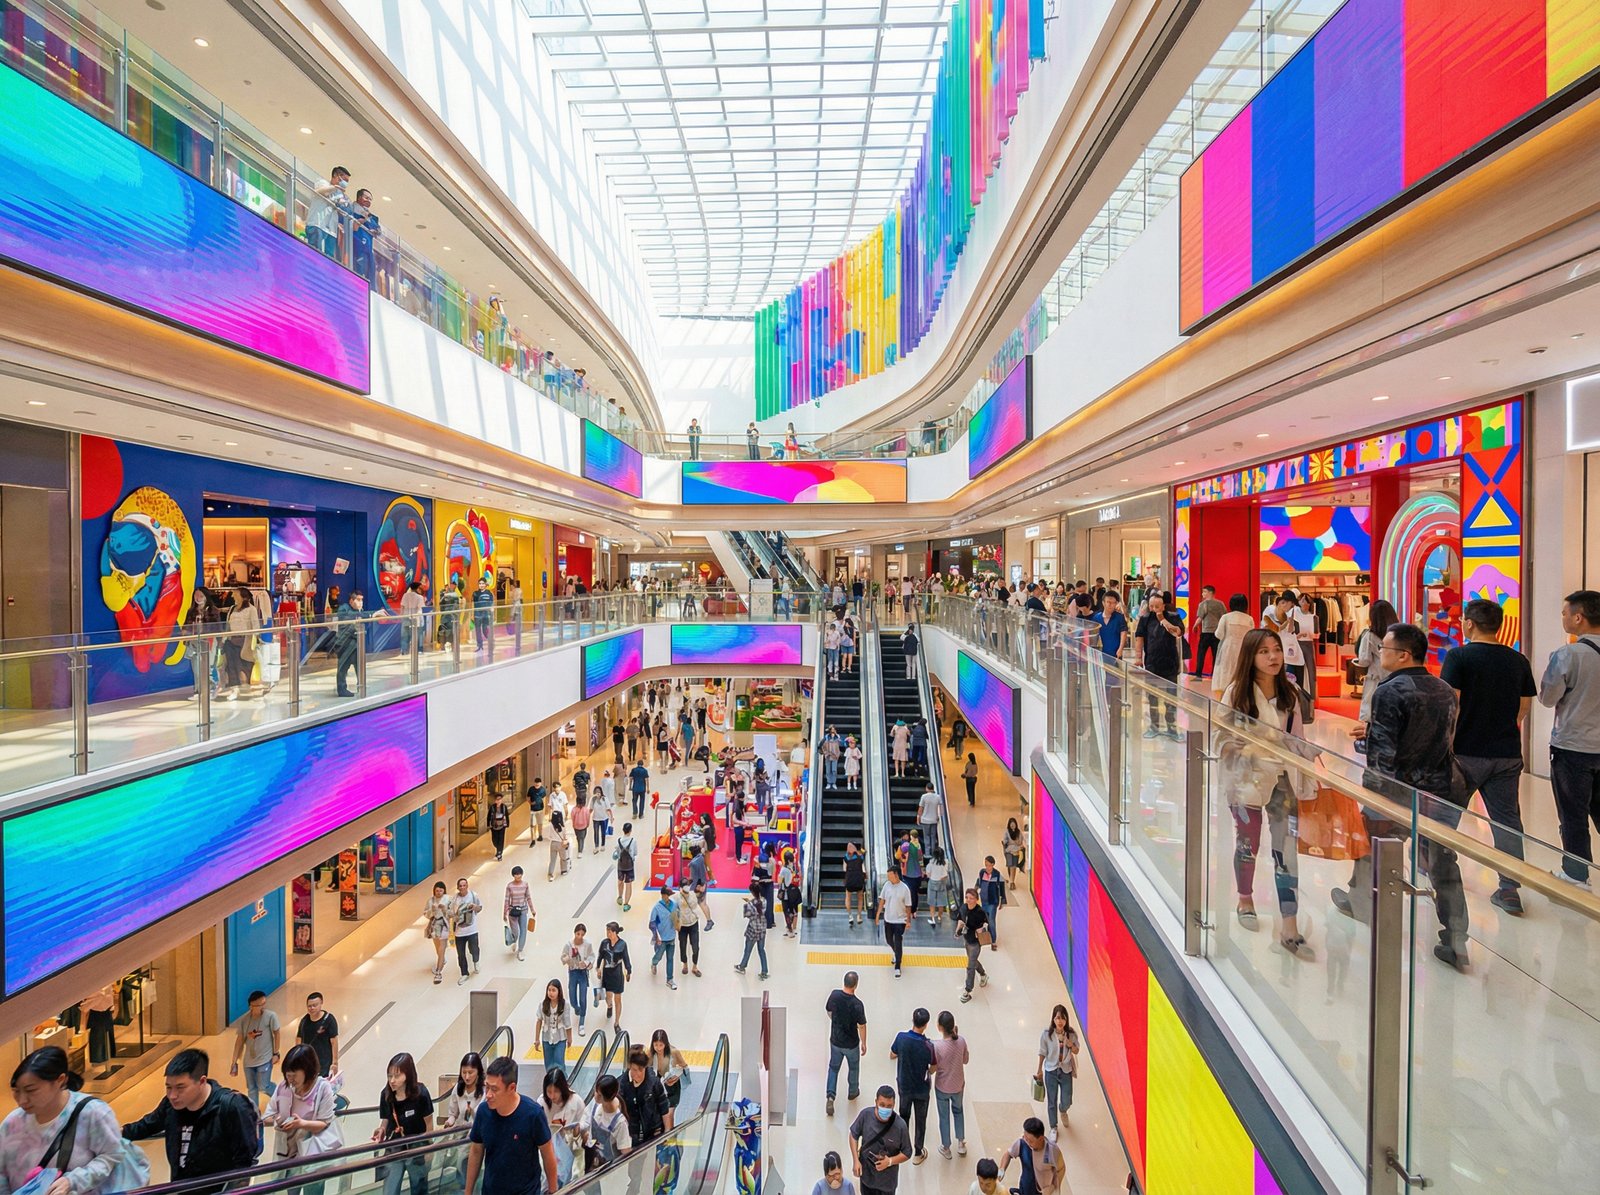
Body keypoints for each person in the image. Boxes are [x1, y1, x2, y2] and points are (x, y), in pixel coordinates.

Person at [1334, 623, 1470, 970]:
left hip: (1398, 791)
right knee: (1442, 862)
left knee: (1371, 848)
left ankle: (1360, 902)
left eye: (1385, 650)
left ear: (1403, 655)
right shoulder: (1442, 689)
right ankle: (1455, 937)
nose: (1381, 655)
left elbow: (1382, 756)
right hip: (1441, 788)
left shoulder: (1390, 692)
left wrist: (1373, 791)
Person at [1218, 628, 1314, 959]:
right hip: (1245, 780)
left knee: (1286, 849)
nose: (1273, 657)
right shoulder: (1237, 693)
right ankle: (1245, 897)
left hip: (1282, 778)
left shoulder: (1290, 693)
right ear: (1251, 657)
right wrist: (1247, 750)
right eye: (1264, 652)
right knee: (1248, 842)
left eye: (1276, 650)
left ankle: (1289, 922)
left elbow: (1297, 737)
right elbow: (1222, 737)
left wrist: (1307, 757)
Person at [1439, 597, 1536, 912]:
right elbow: (1524, 707)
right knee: (1507, 821)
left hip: (1464, 753)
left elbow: (1450, 705)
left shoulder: (1460, 657)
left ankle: (1439, 873)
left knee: (1446, 816)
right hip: (1506, 754)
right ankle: (1509, 890)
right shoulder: (1518, 660)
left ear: (1468, 624)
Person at [2, 1047, 137, 1195]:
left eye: (31, 1090)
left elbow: (113, 1154)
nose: (22, 1100)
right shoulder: (11, 1124)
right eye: (16, 1091)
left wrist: (73, 1181)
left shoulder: (93, 1113)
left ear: (60, 1080)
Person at [122, 1049, 256, 1191]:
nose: (173, 1095)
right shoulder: (170, 1106)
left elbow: (244, 1162)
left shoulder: (231, 1106)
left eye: (180, 1087)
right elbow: (148, 1124)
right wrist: (115, 1132)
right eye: (168, 1087)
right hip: (181, 1188)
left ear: (202, 1081)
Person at [1540, 589, 1600, 889]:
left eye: (1565, 613)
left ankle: (1577, 876)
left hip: (1573, 747)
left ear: (1579, 617)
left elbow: (1548, 698)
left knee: (1573, 813)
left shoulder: (1569, 654)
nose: (1563, 618)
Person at [464, 1056, 557, 1195]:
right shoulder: (483, 1112)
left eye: (494, 1089)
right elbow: (476, 1151)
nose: (488, 1095)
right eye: (487, 1087)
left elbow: (547, 1153)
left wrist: (553, 1190)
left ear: (512, 1087)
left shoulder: (533, 1114)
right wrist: (468, 1192)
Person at [262, 1043, 341, 1175]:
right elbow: (266, 1117)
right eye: (288, 1076)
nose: (290, 1080)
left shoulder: (322, 1088)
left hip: (314, 1155)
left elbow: (324, 1122)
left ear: (308, 1070)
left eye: (294, 1075)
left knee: (313, 1189)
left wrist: (301, 1124)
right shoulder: (283, 1087)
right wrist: (279, 1121)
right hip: (287, 1156)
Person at [373, 1053, 434, 1195]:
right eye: (389, 1076)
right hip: (394, 1146)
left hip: (417, 1146)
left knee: (419, 1187)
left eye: (397, 1076)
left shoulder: (421, 1093)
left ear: (408, 1074)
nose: (392, 1081)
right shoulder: (386, 1094)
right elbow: (385, 1120)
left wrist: (429, 1149)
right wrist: (381, 1130)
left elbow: (429, 1123)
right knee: (390, 1188)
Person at [1133, 591, 1184, 740]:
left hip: (1170, 663)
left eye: (1157, 606)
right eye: (1151, 606)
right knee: (1152, 697)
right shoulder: (1145, 618)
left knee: (1171, 698)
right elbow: (1139, 637)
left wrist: (1163, 619)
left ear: (1163, 606)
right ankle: (1154, 726)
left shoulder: (1173, 616)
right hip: (1152, 663)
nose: (1154, 609)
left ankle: (1172, 728)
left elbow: (1178, 633)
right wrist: (1138, 657)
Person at [888, 1010, 934, 1164]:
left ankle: (902, 1146)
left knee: (904, 1115)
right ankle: (918, 1151)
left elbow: (892, 1054)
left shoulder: (901, 1038)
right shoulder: (928, 1045)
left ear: (912, 1020)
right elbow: (933, 1067)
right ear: (926, 1025)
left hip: (904, 1086)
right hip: (921, 1089)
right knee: (921, 1120)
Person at [848, 1087, 910, 1195]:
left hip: (887, 1183)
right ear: (876, 1102)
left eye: (889, 1106)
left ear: (894, 1104)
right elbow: (853, 1135)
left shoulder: (900, 1126)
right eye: (882, 1105)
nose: (885, 1109)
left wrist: (889, 1161)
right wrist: (855, 1160)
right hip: (867, 1177)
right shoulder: (865, 1115)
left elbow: (907, 1152)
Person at [229, 990, 280, 1117]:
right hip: (249, 1061)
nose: (262, 1007)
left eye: (264, 1003)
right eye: (259, 1005)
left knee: (264, 1085)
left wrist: (276, 1053)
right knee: (252, 1089)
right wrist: (234, 1061)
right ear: (251, 1006)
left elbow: (277, 1034)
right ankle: (255, 1113)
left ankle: (281, 1097)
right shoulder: (245, 1020)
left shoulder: (270, 1016)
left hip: (265, 1058)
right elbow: (239, 1041)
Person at [823, 970, 868, 1116]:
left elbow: (829, 1011)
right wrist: (864, 1042)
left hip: (835, 1041)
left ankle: (830, 1096)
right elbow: (862, 1025)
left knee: (833, 1068)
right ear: (856, 985)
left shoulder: (834, 995)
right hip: (851, 1044)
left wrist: (836, 1021)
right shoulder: (857, 1004)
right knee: (853, 1068)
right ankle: (853, 1092)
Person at [1034, 1005, 1080, 1139]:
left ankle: (1063, 1110)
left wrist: (1070, 1044)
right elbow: (1042, 1052)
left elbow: (1077, 1050)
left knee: (1067, 1099)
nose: (1060, 1021)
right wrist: (1039, 1070)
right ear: (1053, 1019)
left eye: (1063, 1018)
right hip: (1051, 1071)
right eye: (1058, 1018)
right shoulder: (1046, 1035)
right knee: (1051, 1100)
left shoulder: (1071, 1034)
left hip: (1065, 1070)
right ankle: (1053, 1127)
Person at [538, 1069, 587, 1187]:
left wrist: (579, 1128)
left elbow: (585, 1120)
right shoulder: (542, 1102)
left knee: (568, 1180)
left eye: (556, 1091)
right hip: (548, 1146)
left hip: (569, 1148)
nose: (552, 1096)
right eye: (549, 1091)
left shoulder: (575, 1101)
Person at [931, 1011, 970, 1158]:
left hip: (942, 1087)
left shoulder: (937, 1046)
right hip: (958, 1085)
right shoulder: (961, 1041)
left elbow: (933, 1068)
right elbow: (965, 1060)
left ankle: (946, 1147)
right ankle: (961, 1142)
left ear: (940, 1027)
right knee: (958, 1111)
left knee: (944, 1116)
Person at [618, 1049, 672, 1147]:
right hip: (632, 1134)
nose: (638, 1073)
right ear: (629, 1067)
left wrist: (667, 1132)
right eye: (634, 1070)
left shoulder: (654, 1083)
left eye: (641, 1070)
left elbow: (664, 1108)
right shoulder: (622, 1085)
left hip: (653, 1131)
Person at [994, 1118, 1063, 1194]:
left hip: (1042, 1191)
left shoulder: (1052, 1150)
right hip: (1025, 1185)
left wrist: (1053, 1187)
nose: (1026, 1141)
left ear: (1040, 1139)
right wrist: (1001, 1170)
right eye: (1025, 1137)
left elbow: (1061, 1169)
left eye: (1030, 1140)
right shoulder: (1022, 1143)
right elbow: (1008, 1154)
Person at [1209, 594, 1257, 699]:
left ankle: (1223, 700)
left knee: (1225, 674)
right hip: (1244, 650)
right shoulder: (1249, 619)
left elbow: (1219, 634)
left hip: (1227, 649)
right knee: (1240, 673)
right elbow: (1252, 636)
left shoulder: (1226, 617)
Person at [585, 1074, 631, 1171]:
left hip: (610, 1169)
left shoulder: (619, 1122)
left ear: (604, 1097)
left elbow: (625, 1152)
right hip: (594, 1163)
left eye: (598, 1093)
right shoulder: (595, 1106)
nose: (595, 1094)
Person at [1263, 592, 1307, 689]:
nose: (1291, 607)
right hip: (1281, 654)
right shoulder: (1270, 611)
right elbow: (1274, 629)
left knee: (1294, 685)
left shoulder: (1288, 614)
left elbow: (1290, 632)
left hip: (1292, 654)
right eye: (1291, 605)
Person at [876, 865, 912, 976]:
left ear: (896, 875)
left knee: (897, 941)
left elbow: (908, 906)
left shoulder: (905, 888)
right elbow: (882, 900)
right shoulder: (887, 885)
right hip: (888, 919)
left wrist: (908, 921)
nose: (888, 878)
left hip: (900, 920)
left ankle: (898, 966)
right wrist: (878, 914)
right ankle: (896, 953)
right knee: (888, 940)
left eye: (890, 875)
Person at [294, 993, 339, 1080]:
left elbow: (334, 1041)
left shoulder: (329, 1019)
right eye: (309, 1006)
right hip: (308, 1061)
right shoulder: (304, 1021)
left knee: (323, 1086)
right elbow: (299, 1038)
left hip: (324, 1062)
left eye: (315, 1005)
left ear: (321, 1003)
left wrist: (335, 1062)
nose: (312, 1008)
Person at [597, 923, 633, 1031]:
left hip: (617, 974)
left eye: (610, 931)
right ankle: (609, 1006)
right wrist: (598, 968)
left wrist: (629, 971)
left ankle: (617, 1022)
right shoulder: (604, 943)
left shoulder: (622, 944)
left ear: (615, 932)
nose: (607, 933)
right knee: (607, 996)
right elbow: (600, 956)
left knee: (618, 998)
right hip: (607, 974)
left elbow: (626, 958)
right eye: (606, 931)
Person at [955, 889, 989, 1002]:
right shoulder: (963, 908)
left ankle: (968, 990)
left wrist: (982, 929)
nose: (969, 900)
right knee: (972, 961)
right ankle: (983, 974)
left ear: (976, 899)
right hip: (967, 939)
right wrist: (957, 931)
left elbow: (987, 924)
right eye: (967, 897)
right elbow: (960, 920)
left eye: (971, 898)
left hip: (975, 942)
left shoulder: (980, 912)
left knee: (970, 967)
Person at [647, 1030, 690, 1116]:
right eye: (656, 1045)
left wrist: (677, 1077)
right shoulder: (651, 1053)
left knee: (668, 1114)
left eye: (661, 1045)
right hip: (658, 1087)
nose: (658, 1048)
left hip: (672, 1087)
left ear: (665, 1044)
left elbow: (685, 1067)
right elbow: (645, 1069)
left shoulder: (674, 1052)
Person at [332, 590, 367, 698]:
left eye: (362, 600)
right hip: (345, 644)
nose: (361, 602)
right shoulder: (344, 608)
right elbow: (348, 618)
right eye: (358, 600)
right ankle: (341, 689)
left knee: (360, 665)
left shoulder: (359, 611)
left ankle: (361, 685)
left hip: (356, 643)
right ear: (351, 600)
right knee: (343, 668)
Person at [734, 880, 771, 979]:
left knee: (748, 950)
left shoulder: (748, 905)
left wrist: (748, 903)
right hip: (762, 927)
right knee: (761, 950)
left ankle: (742, 967)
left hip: (753, 929)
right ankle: (764, 970)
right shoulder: (764, 901)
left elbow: (747, 915)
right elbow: (760, 909)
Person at [535, 981, 573, 1075]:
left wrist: (569, 1038)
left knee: (559, 1064)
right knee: (549, 1065)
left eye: (553, 990)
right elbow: (539, 1021)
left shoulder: (565, 1004)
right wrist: (536, 1039)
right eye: (549, 990)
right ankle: (551, 1085)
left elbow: (568, 1024)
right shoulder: (543, 1004)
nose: (551, 993)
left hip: (560, 1038)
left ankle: (563, 1084)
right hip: (546, 1038)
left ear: (559, 991)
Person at [451, 877, 484, 984]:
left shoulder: (473, 895)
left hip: (472, 930)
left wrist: (474, 907)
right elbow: (451, 913)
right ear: (457, 887)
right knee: (461, 954)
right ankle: (464, 973)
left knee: (474, 948)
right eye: (460, 886)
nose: (462, 888)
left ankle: (476, 961)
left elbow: (480, 908)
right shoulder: (454, 899)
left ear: (467, 886)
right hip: (459, 931)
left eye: (464, 885)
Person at [648, 886, 680, 990]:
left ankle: (669, 979)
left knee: (670, 958)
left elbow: (678, 916)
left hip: (671, 937)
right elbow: (652, 924)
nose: (669, 897)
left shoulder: (674, 904)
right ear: (663, 895)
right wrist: (656, 936)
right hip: (661, 939)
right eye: (667, 895)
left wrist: (678, 924)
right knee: (659, 956)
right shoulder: (656, 908)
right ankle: (654, 963)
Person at [1190, 585, 1225, 678]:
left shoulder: (1203, 604)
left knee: (1201, 654)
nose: (1202, 594)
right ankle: (1215, 675)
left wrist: (1194, 626)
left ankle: (1198, 674)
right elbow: (1223, 617)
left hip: (1206, 632)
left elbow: (1200, 618)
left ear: (1210, 592)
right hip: (1217, 633)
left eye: (1204, 592)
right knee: (1216, 655)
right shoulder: (1221, 604)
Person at [675, 882, 707, 976]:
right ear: (680, 887)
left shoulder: (693, 894)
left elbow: (700, 895)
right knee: (683, 946)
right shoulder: (676, 898)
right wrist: (676, 924)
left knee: (696, 946)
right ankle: (685, 965)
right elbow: (673, 911)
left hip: (693, 923)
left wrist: (701, 890)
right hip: (683, 926)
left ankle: (695, 966)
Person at [502, 867, 533, 961]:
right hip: (512, 911)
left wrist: (532, 909)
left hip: (523, 910)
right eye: (516, 874)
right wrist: (504, 912)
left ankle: (520, 950)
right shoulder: (509, 886)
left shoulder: (525, 885)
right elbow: (507, 899)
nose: (518, 876)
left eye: (519, 874)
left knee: (523, 930)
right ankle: (514, 940)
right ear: (513, 875)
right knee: (516, 931)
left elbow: (528, 897)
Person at [424, 882, 451, 984]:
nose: (439, 892)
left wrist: (444, 910)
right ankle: (441, 959)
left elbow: (452, 912)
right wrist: (432, 911)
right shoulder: (430, 901)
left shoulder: (448, 899)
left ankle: (439, 971)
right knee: (437, 947)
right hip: (434, 927)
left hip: (444, 926)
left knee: (442, 948)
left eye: (441, 890)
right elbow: (426, 914)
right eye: (437, 891)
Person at [976, 857, 1005, 949]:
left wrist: (1002, 901)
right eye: (986, 865)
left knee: (991, 921)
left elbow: (1002, 888)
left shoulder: (997, 874)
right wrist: (974, 892)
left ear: (993, 864)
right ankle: (983, 937)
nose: (987, 867)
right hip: (983, 900)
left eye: (989, 865)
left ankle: (993, 941)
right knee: (984, 919)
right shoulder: (982, 872)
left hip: (993, 901)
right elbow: (978, 883)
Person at [1090, 590, 1128, 658]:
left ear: (1116, 604)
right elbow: (1093, 635)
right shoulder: (1096, 618)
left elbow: (1124, 632)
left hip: (1116, 653)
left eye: (1113, 603)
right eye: (1108, 602)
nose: (1110, 605)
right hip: (1100, 653)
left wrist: (1120, 649)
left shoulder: (1119, 617)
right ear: (1103, 603)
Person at [613, 822, 639, 910]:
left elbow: (616, 851)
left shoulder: (619, 840)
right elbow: (635, 853)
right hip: (629, 866)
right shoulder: (633, 841)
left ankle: (620, 897)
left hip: (620, 865)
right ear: (630, 830)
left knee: (620, 881)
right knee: (628, 884)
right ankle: (626, 904)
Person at [842, 842, 867, 925]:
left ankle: (850, 916)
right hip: (859, 878)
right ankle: (859, 916)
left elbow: (844, 869)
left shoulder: (846, 857)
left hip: (849, 879)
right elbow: (863, 869)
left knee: (848, 897)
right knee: (860, 898)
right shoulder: (861, 857)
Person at [924, 848, 950, 927]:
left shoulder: (931, 863)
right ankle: (939, 917)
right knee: (941, 902)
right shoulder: (945, 862)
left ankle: (932, 918)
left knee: (932, 902)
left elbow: (928, 874)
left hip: (932, 883)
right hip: (941, 884)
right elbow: (945, 875)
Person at [916, 783, 943, 854]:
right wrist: (939, 816)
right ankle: (933, 852)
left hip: (925, 820)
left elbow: (921, 808)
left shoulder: (924, 797)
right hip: (934, 820)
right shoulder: (938, 797)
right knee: (933, 837)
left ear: (927, 788)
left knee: (926, 837)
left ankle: (927, 853)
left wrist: (918, 817)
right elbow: (941, 809)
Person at [1000, 818, 1026, 889]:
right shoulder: (1007, 832)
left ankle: (1012, 881)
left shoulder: (1019, 832)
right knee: (1010, 865)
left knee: (1013, 866)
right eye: (1011, 824)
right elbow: (1005, 841)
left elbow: (1020, 842)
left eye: (1013, 824)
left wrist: (1016, 844)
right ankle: (1011, 881)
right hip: (1008, 851)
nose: (1012, 825)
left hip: (1016, 851)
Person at [486, 793, 511, 861]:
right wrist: (488, 825)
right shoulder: (492, 807)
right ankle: (498, 848)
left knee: (501, 839)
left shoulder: (504, 807)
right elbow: (488, 816)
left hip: (502, 826)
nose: (499, 801)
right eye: (497, 799)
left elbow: (506, 815)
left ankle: (499, 852)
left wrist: (507, 824)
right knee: (494, 840)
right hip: (494, 826)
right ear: (495, 800)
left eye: (500, 799)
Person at [527, 777, 547, 843]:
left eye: (538, 783)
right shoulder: (531, 789)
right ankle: (533, 838)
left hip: (540, 810)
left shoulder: (543, 790)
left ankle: (540, 835)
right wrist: (530, 803)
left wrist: (544, 810)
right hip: (533, 810)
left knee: (540, 823)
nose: (537, 784)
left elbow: (544, 799)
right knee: (532, 824)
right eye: (536, 783)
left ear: (540, 783)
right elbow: (528, 797)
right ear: (534, 783)